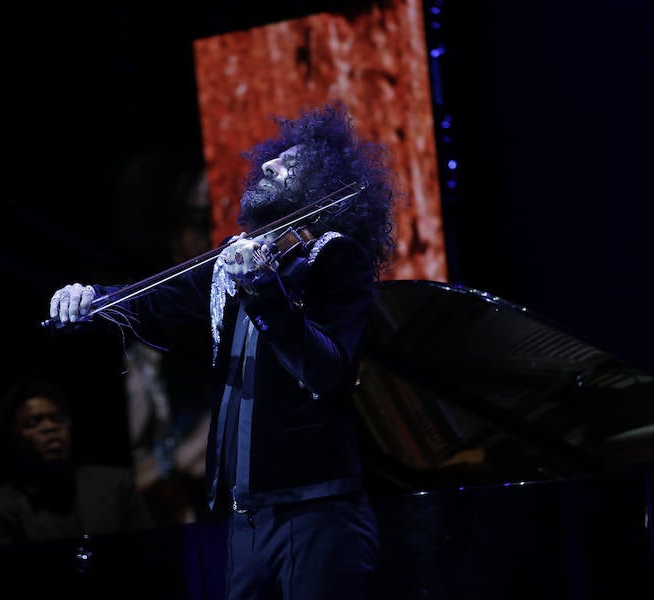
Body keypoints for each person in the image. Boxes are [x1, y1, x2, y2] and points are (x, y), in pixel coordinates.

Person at [46, 101, 398, 599]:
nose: (270, 165)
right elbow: (155, 302)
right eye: (274, 159)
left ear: (318, 190)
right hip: (243, 517)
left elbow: (329, 372)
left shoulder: (335, 257)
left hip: (316, 510)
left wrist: (267, 294)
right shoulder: (234, 261)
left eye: (289, 164)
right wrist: (94, 301)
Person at [0, 378, 155, 549]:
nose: (49, 428)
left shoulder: (116, 485)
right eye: (33, 423)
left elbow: (146, 552)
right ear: (13, 436)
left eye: (56, 418)